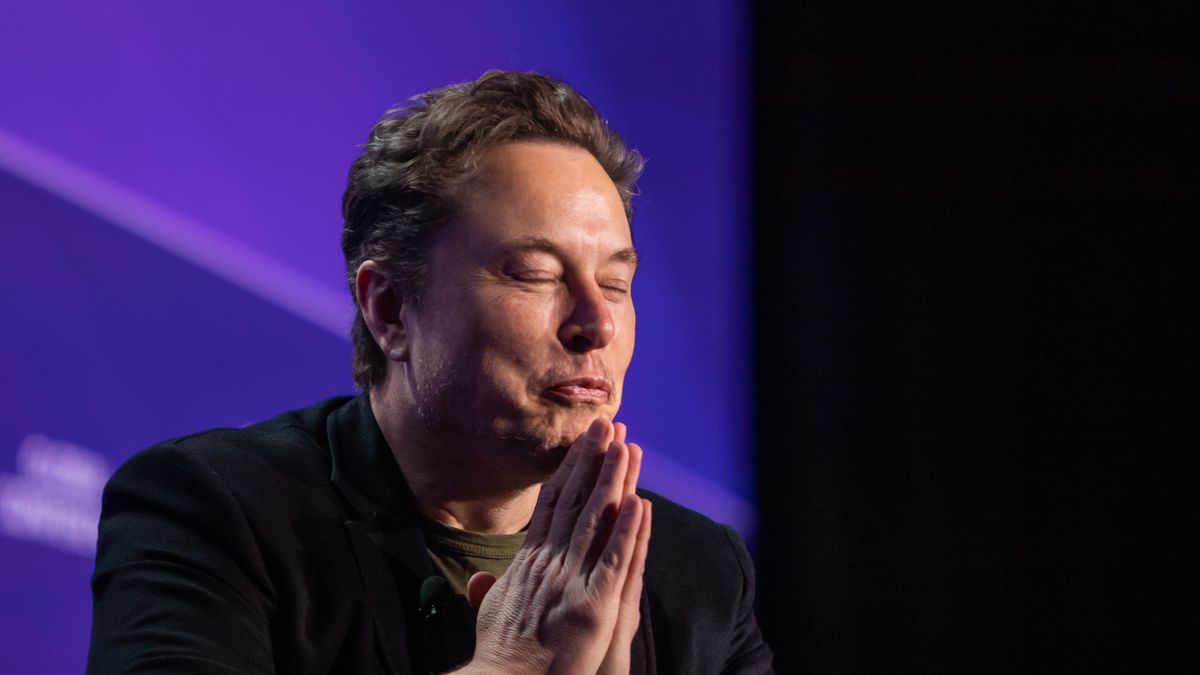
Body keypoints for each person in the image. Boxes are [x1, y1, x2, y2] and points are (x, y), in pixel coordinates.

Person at [87, 70, 773, 674]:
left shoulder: (695, 570)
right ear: (389, 308)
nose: (595, 323)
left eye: (616, 284)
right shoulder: (216, 510)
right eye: (535, 273)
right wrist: (510, 667)